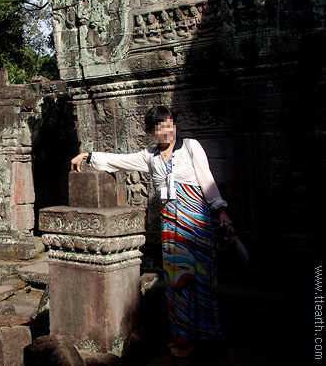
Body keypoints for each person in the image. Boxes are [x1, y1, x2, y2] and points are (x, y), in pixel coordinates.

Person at [70, 106, 232, 358]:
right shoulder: (150, 157)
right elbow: (118, 160)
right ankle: (184, 339)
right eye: (160, 126)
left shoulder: (191, 147)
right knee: (177, 284)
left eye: (170, 124)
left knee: (201, 282)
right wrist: (87, 156)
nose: (167, 130)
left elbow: (207, 180)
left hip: (197, 227)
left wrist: (220, 209)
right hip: (170, 230)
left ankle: (207, 338)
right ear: (152, 130)